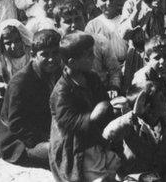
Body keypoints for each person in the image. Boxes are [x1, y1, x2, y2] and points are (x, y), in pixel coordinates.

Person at [49, 32, 121, 182]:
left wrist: (110, 107)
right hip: (74, 145)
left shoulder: (92, 77)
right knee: (97, 175)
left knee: (117, 163)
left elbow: (103, 100)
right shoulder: (62, 90)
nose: (93, 58)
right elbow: (68, 122)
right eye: (88, 55)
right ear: (72, 62)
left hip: (95, 137)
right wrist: (93, 116)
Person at [0, 29, 61, 166]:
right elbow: (16, 124)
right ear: (33, 54)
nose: (51, 59)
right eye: (45, 54)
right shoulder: (20, 82)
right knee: (62, 150)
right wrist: (48, 138)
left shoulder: (58, 72)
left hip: (46, 133)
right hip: (19, 143)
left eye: (56, 53)